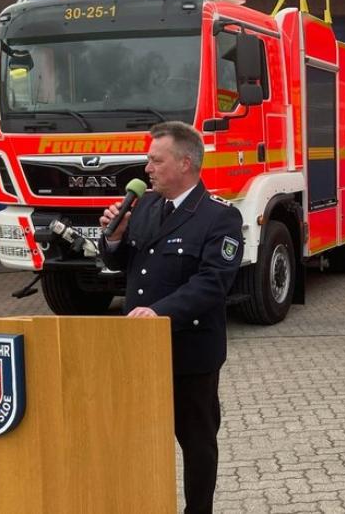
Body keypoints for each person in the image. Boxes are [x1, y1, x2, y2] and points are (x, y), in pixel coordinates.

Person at [99, 121, 243, 514]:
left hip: (189, 354)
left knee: (197, 444)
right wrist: (113, 237)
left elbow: (213, 283)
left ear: (184, 163)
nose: (147, 168)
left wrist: (159, 312)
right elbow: (127, 262)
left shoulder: (219, 217)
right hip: (139, 350)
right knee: (138, 439)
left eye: (154, 160)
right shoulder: (144, 205)